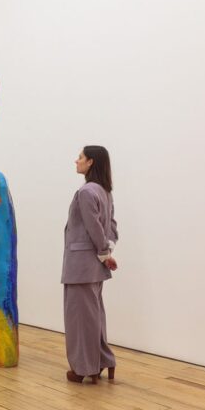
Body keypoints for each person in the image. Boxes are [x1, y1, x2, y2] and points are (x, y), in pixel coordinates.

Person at [61, 145, 118, 384]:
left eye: (81, 157)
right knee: (94, 318)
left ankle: (84, 368)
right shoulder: (105, 191)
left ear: (91, 162)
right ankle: (103, 362)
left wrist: (105, 253)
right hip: (94, 267)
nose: (76, 161)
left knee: (79, 319)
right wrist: (108, 252)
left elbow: (95, 228)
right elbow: (111, 227)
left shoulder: (86, 192)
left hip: (81, 267)